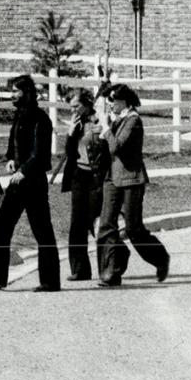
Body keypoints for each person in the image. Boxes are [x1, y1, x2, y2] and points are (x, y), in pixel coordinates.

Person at [0, 74, 61, 291]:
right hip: (19, 179)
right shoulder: (20, 116)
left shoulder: (41, 119)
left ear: (27, 93)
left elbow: (40, 153)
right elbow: (14, 144)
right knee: (3, 223)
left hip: (33, 182)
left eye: (16, 91)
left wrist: (24, 170)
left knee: (42, 231)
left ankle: (50, 281)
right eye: (11, 91)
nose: (12, 95)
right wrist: (11, 159)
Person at [95, 83, 170, 286]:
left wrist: (105, 127)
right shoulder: (117, 120)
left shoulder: (133, 121)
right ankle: (111, 271)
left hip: (131, 179)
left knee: (133, 228)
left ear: (124, 101)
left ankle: (160, 258)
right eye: (109, 100)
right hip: (112, 178)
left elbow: (117, 147)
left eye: (113, 100)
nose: (110, 104)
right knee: (106, 226)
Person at [59, 88, 108, 282]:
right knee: (77, 224)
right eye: (71, 107)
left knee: (97, 222)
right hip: (79, 176)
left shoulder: (100, 120)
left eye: (77, 106)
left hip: (97, 177)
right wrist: (71, 133)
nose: (74, 111)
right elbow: (70, 153)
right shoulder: (76, 124)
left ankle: (108, 267)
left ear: (87, 103)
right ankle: (80, 269)